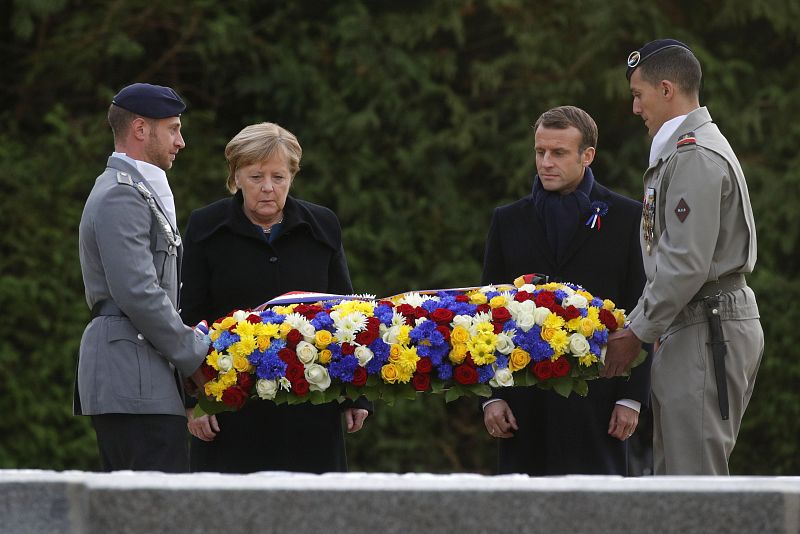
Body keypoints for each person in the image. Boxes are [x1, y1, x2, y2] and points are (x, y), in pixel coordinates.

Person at [603, 39, 763, 475]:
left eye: (639, 95)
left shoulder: (693, 156)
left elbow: (684, 264)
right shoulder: (683, 151)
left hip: (706, 324)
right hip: (695, 321)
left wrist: (636, 330)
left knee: (694, 484)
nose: (635, 108)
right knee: (677, 480)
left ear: (667, 89)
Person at [180, 122, 371, 473]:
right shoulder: (206, 227)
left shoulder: (322, 225)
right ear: (236, 176)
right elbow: (191, 318)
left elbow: (348, 315)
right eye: (256, 177)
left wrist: (355, 395)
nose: (268, 188)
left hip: (311, 404)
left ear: (292, 177)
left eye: (278, 177)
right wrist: (194, 401)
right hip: (231, 410)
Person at [481, 105, 652, 475]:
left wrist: (631, 397)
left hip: (600, 400)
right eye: (540, 151)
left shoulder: (626, 218)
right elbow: (487, 314)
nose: (546, 162)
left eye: (558, 153)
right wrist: (491, 397)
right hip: (523, 400)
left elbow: (644, 309)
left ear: (587, 156)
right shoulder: (508, 220)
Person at [75, 83, 210, 472]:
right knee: (155, 512)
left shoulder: (135, 190)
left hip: (140, 371)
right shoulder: (123, 195)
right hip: (131, 373)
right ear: (140, 128)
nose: (181, 141)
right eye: (173, 128)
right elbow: (138, 292)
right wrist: (193, 356)